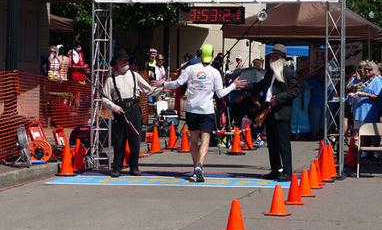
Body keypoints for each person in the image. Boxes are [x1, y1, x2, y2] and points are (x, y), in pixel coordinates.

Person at [153, 44, 247, 182]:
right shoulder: (215, 72)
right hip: (206, 110)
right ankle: (199, 165)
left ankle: (196, 167)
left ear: (200, 54)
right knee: (205, 139)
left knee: (194, 140)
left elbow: (177, 83)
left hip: (192, 109)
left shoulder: (190, 69)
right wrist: (233, 86)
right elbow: (220, 94)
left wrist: (163, 83)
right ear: (212, 54)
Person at [103, 49, 157, 177]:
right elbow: (104, 98)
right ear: (117, 62)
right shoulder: (111, 79)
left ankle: (134, 167)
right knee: (119, 140)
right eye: (122, 60)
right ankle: (117, 168)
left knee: (135, 139)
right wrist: (114, 107)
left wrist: (162, 88)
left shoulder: (135, 75)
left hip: (134, 109)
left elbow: (149, 90)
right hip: (120, 110)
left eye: (127, 60)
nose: (125, 62)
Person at [259, 44, 300, 181]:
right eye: (271, 57)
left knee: (283, 144)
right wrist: (243, 85)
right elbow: (260, 86)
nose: (272, 59)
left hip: (282, 112)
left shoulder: (288, 72)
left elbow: (295, 91)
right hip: (269, 111)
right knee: (272, 143)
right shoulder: (269, 73)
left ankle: (287, 171)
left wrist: (279, 98)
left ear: (281, 59)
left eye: (275, 57)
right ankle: (275, 169)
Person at [290, 58, 311, 140]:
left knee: (303, 115)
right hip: (298, 99)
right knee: (296, 115)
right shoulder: (297, 79)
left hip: (305, 99)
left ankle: (302, 132)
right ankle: (296, 133)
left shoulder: (307, 79)